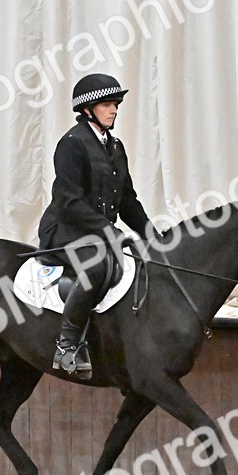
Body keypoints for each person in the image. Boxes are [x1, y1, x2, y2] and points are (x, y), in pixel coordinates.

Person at [37, 73, 151, 379]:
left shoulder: (115, 147)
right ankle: (67, 345)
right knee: (99, 266)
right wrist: (109, 231)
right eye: (106, 104)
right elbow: (69, 201)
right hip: (64, 229)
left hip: (95, 231)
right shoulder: (72, 144)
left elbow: (127, 199)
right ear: (88, 109)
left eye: (115, 104)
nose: (113, 110)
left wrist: (150, 233)